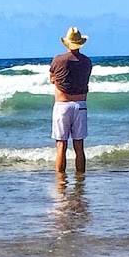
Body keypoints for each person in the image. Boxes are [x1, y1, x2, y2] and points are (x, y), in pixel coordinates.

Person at [50, 26, 92, 174]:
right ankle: (81, 181)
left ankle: (61, 183)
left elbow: (52, 78)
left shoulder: (59, 59)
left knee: (61, 145)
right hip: (80, 105)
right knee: (79, 146)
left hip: (62, 105)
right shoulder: (87, 62)